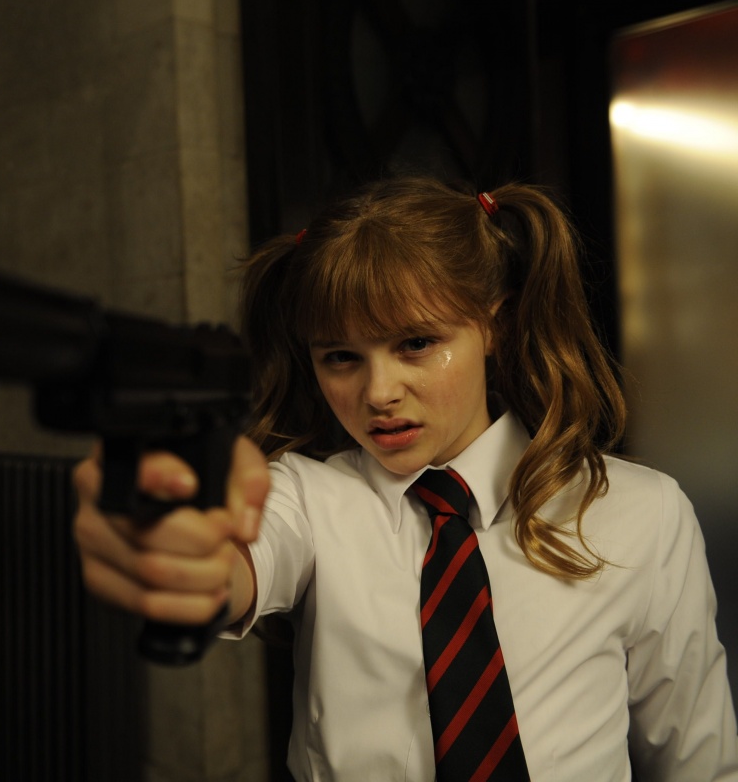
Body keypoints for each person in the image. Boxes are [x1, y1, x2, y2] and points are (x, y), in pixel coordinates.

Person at [72, 176, 738, 780]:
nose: (378, 392)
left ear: (495, 327)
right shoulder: (307, 499)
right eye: (341, 357)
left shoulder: (640, 512)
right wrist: (175, 543)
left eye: (416, 344)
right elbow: (234, 561)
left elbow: (699, 761)